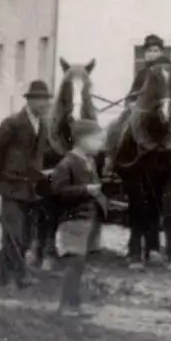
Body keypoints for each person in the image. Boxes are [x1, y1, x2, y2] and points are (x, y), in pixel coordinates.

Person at [0, 80, 50, 289]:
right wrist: (2, 177)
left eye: (47, 100)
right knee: (13, 235)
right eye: (41, 100)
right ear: (29, 100)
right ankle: (10, 279)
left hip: (32, 190)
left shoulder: (44, 125)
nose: (45, 104)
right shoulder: (12, 123)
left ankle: (17, 276)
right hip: (12, 188)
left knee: (26, 236)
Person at [44, 119, 108, 317]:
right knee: (74, 263)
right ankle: (65, 306)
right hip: (73, 220)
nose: (101, 145)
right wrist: (86, 190)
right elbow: (57, 191)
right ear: (82, 140)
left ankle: (74, 305)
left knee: (79, 264)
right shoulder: (68, 163)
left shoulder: (87, 162)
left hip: (85, 220)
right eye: (98, 140)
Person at [125, 35, 171, 113]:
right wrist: (130, 103)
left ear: (161, 53)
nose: (152, 54)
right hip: (144, 115)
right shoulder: (142, 73)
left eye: (155, 51)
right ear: (145, 53)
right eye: (149, 51)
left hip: (168, 114)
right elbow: (133, 94)